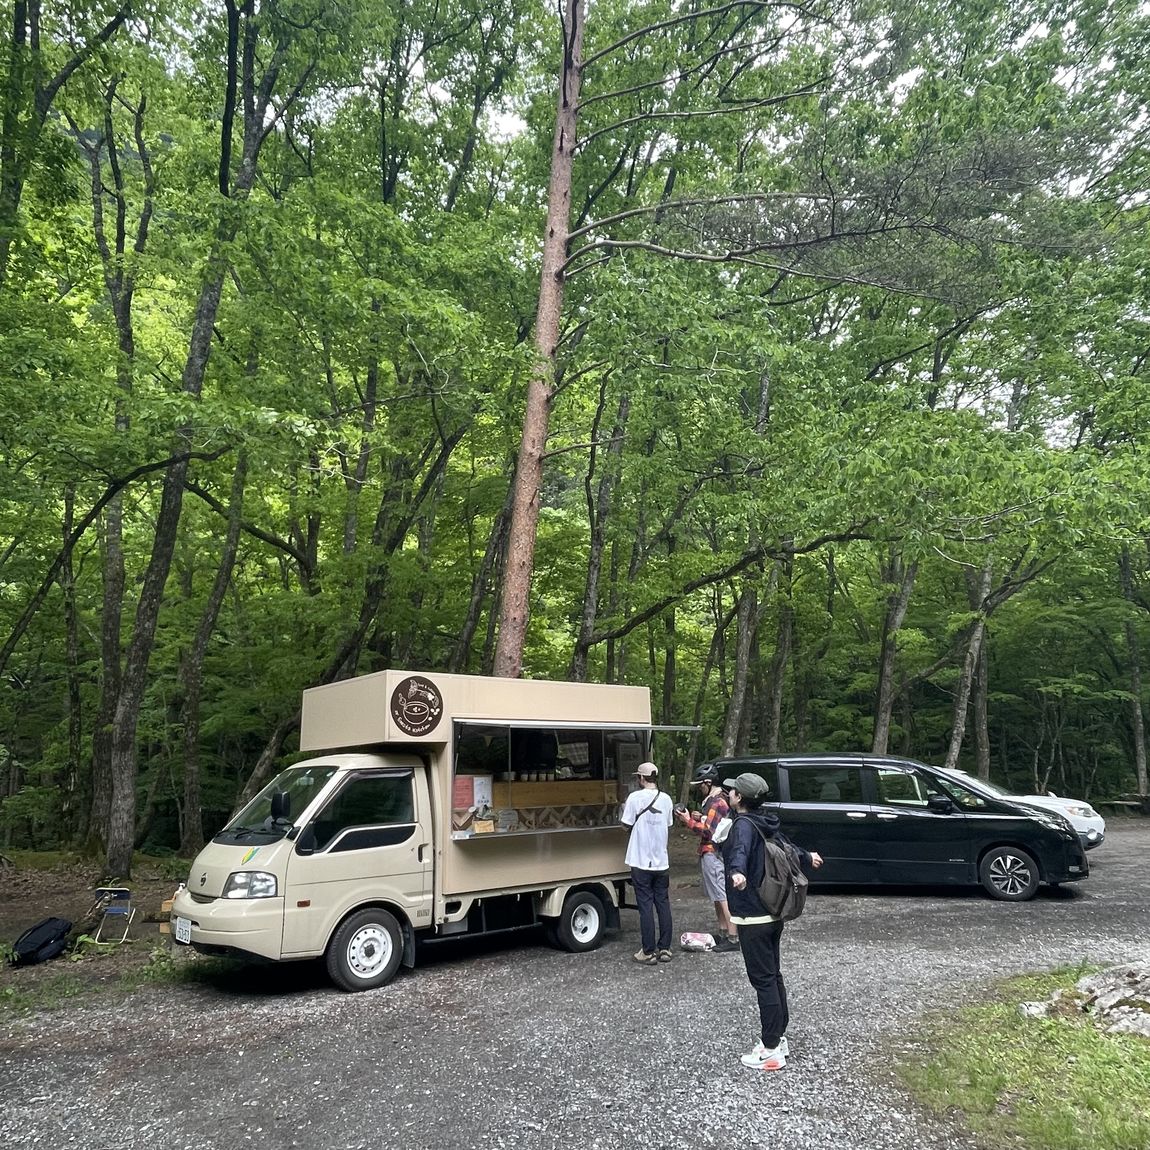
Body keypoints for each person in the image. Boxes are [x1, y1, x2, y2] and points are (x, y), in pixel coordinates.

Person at [721, 771, 823, 1071]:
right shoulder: (764, 821)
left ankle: (770, 1048)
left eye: (733, 791)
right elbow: (788, 847)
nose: (729, 794)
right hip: (773, 911)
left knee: (762, 979)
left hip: (753, 914)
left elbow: (738, 852)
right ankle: (778, 1037)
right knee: (773, 974)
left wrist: (737, 873)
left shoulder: (742, 825)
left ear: (739, 798)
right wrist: (808, 856)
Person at [674, 762, 739, 952]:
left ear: (708, 782)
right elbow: (713, 822)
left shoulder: (717, 801)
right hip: (712, 852)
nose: (699, 788)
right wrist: (697, 816)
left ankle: (733, 938)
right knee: (716, 895)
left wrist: (687, 820)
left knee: (721, 895)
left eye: (701, 784)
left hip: (713, 852)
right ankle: (723, 932)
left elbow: (707, 831)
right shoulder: (717, 799)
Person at [620, 761, 674, 965]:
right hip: (661, 861)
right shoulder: (666, 799)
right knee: (663, 903)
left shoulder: (634, 798)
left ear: (641, 778)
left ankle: (648, 951)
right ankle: (665, 948)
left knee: (645, 905)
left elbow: (625, 826)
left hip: (641, 860)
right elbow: (668, 824)